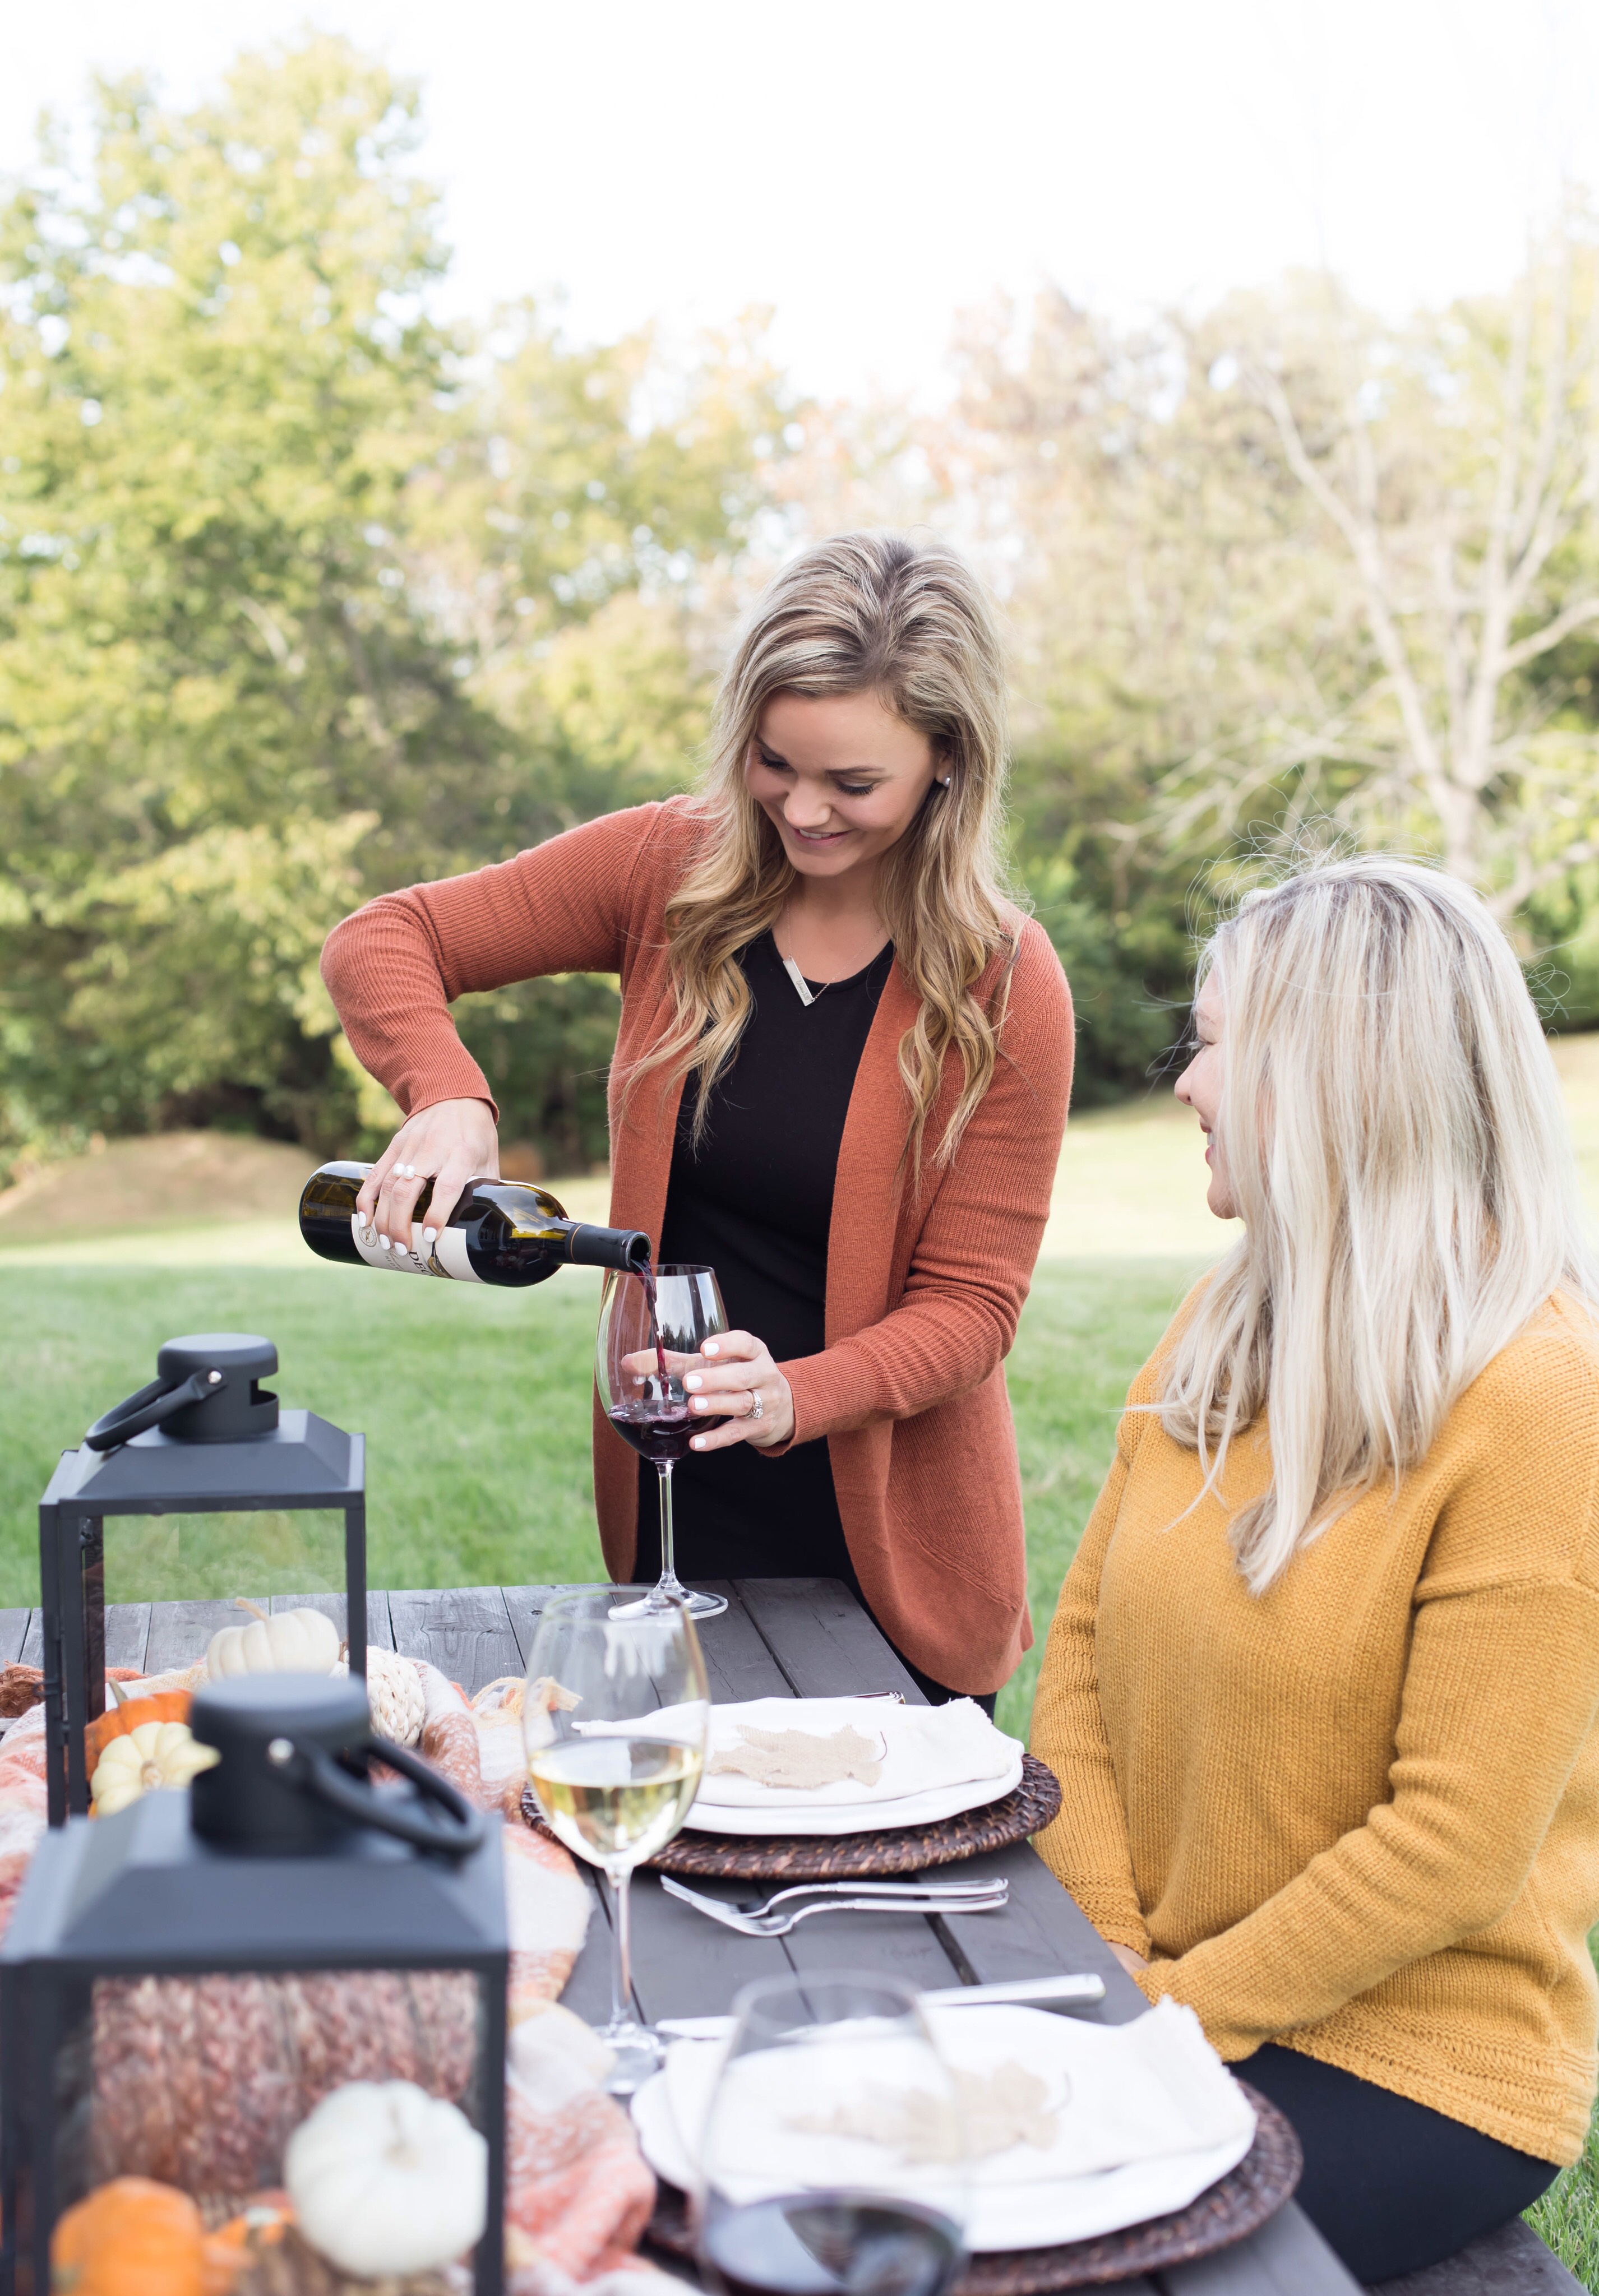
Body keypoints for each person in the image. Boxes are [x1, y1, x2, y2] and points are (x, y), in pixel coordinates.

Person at [321, 531, 1072, 1705]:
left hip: (895, 1570)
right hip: (681, 1526)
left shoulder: (1004, 979)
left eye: (853, 783)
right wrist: (450, 1095)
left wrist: (792, 1392)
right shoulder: (666, 868)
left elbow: (974, 1306)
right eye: (776, 762)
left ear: (946, 764)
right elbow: (384, 938)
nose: (804, 810)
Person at [1030, 853, 1599, 2283]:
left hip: (1411, 2060)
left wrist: (1167, 2021)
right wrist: (1114, 1969)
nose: (1183, 1082)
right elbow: (1083, 1651)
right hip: (1166, 1995)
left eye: (1212, 1042)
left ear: (1328, 1081)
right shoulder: (1224, 1319)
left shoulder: (1535, 1404)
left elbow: (1452, 1848)